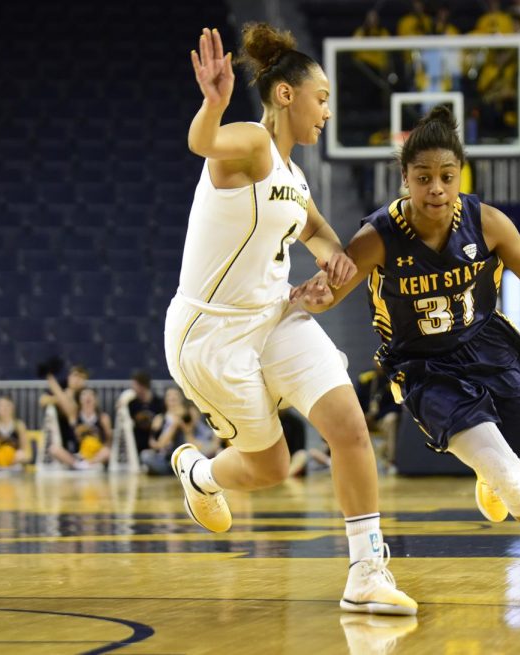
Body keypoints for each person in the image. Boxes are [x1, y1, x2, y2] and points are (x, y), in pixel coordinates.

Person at [297, 106, 520, 606]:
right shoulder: (379, 237)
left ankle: (493, 479)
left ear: (460, 176)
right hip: (425, 368)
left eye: (446, 177)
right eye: (423, 177)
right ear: (405, 179)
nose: (436, 189)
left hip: (490, 346)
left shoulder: (486, 222)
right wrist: (311, 296)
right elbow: (331, 296)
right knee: (515, 483)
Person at [164, 25, 415, 615]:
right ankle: (201, 473)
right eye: (321, 97)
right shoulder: (252, 144)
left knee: (349, 426)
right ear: (285, 96)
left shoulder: (296, 180)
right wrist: (213, 104)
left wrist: (333, 273)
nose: (327, 110)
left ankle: (367, 572)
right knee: (271, 466)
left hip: (275, 318)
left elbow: (323, 234)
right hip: (212, 334)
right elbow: (202, 142)